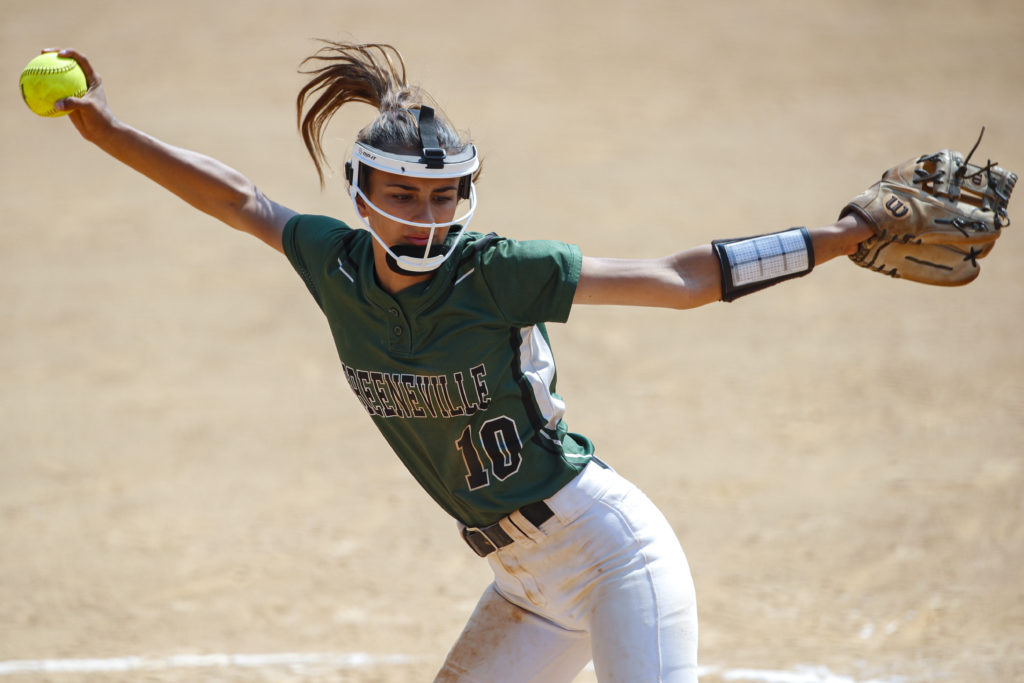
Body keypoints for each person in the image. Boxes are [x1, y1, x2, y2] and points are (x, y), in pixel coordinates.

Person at [48, 41, 873, 683]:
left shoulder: (498, 269)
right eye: (404, 196)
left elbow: (679, 280)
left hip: (611, 552)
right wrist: (110, 131)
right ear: (362, 190)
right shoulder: (331, 261)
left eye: (444, 196)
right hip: (525, 584)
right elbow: (238, 199)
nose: (427, 216)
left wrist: (842, 238)